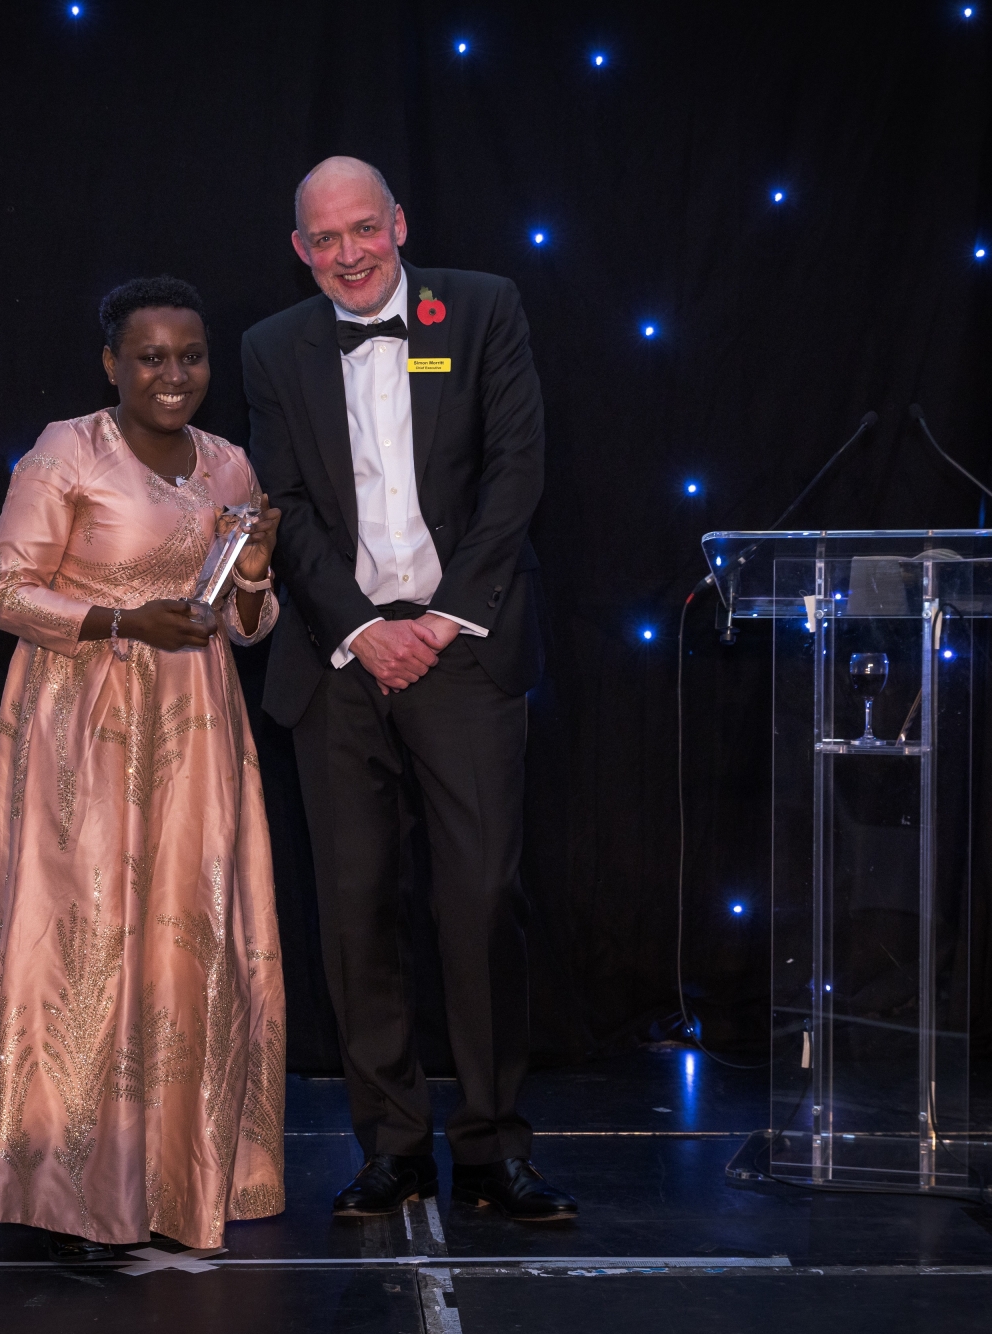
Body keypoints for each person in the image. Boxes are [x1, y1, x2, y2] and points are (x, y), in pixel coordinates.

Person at [242, 158, 573, 1221]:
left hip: (462, 653)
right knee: (353, 911)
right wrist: (358, 629)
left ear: (397, 223)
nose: (346, 253)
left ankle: (487, 1145)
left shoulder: (478, 308)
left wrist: (436, 618)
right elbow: (282, 502)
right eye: (323, 238)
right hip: (339, 667)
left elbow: (516, 469)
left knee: (478, 902)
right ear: (300, 249)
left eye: (362, 230)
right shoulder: (269, 347)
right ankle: (389, 1144)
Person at [0, 276, 287, 1260]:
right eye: (149, 356)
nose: (172, 374)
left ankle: (182, 1174)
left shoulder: (228, 462)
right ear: (110, 363)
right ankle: (78, 1189)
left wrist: (249, 572)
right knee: (88, 939)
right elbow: (4, 591)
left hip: (195, 721)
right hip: (84, 717)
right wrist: (118, 618)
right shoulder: (68, 448)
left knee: (189, 939)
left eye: (189, 356)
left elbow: (246, 628)